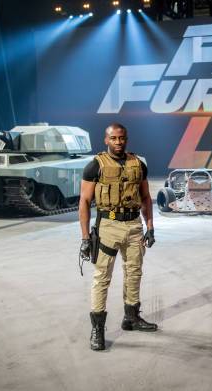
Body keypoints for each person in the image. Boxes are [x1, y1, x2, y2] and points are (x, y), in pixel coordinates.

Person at [78, 122, 157, 352]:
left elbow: (146, 197)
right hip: (108, 226)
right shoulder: (95, 166)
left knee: (134, 272)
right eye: (113, 138)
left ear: (126, 138)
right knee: (102, 276)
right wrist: (85, 237)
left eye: (121, 138)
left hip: (133, 225)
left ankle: (131, 317)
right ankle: (97, 329)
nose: (118, 142)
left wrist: (150, 226)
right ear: (106, 140)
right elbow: (83, 201)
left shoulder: (138, 164)